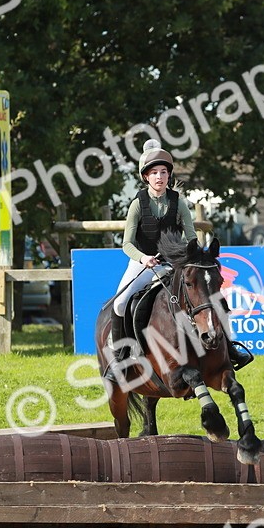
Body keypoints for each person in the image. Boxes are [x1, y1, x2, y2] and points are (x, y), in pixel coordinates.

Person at [104, 139, 252, 382]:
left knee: (209, 298)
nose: (159, 177)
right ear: (146, 177)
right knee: (120, 304)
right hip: (142, 264)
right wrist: (144, 258)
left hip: (173, 264)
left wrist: (188, 255)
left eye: (163, 172)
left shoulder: (178, 202)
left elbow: (191, 236)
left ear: (169, 175)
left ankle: (231, 349)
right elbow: (126, 244)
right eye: (154, 173)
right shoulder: (137, 205)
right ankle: (121, 357)